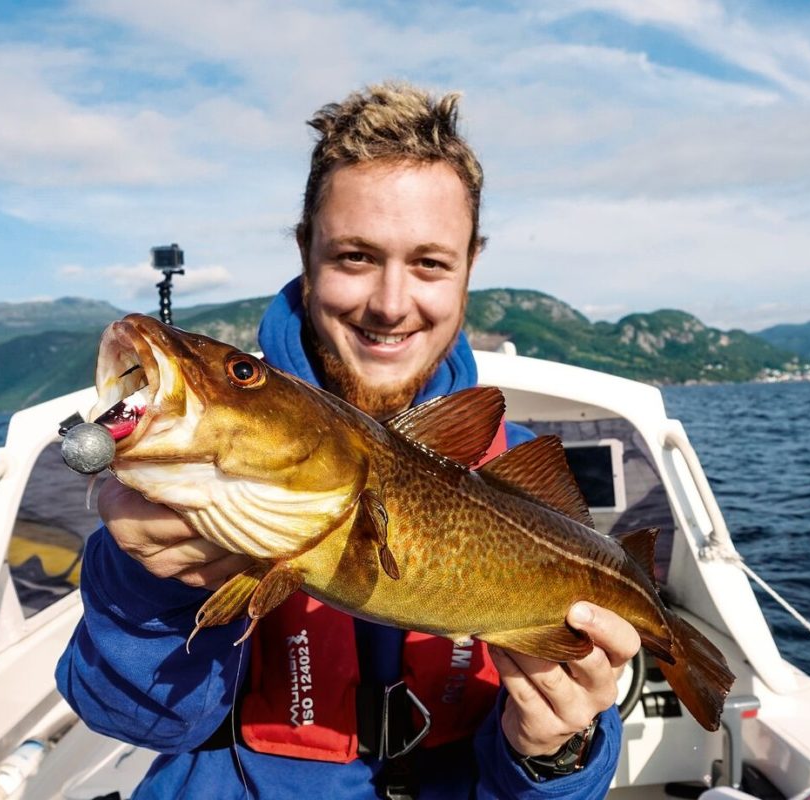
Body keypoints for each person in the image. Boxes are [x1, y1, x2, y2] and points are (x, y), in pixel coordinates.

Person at [56, 82, 640, 799]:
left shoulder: (513, 476)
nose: (391, 305)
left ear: (470, 266)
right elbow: (132, 717)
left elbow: (551, 778)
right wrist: (144, 585)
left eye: (430, 262)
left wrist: (556, 752)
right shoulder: (196, 484)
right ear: (306, 250)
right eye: (356, 257)